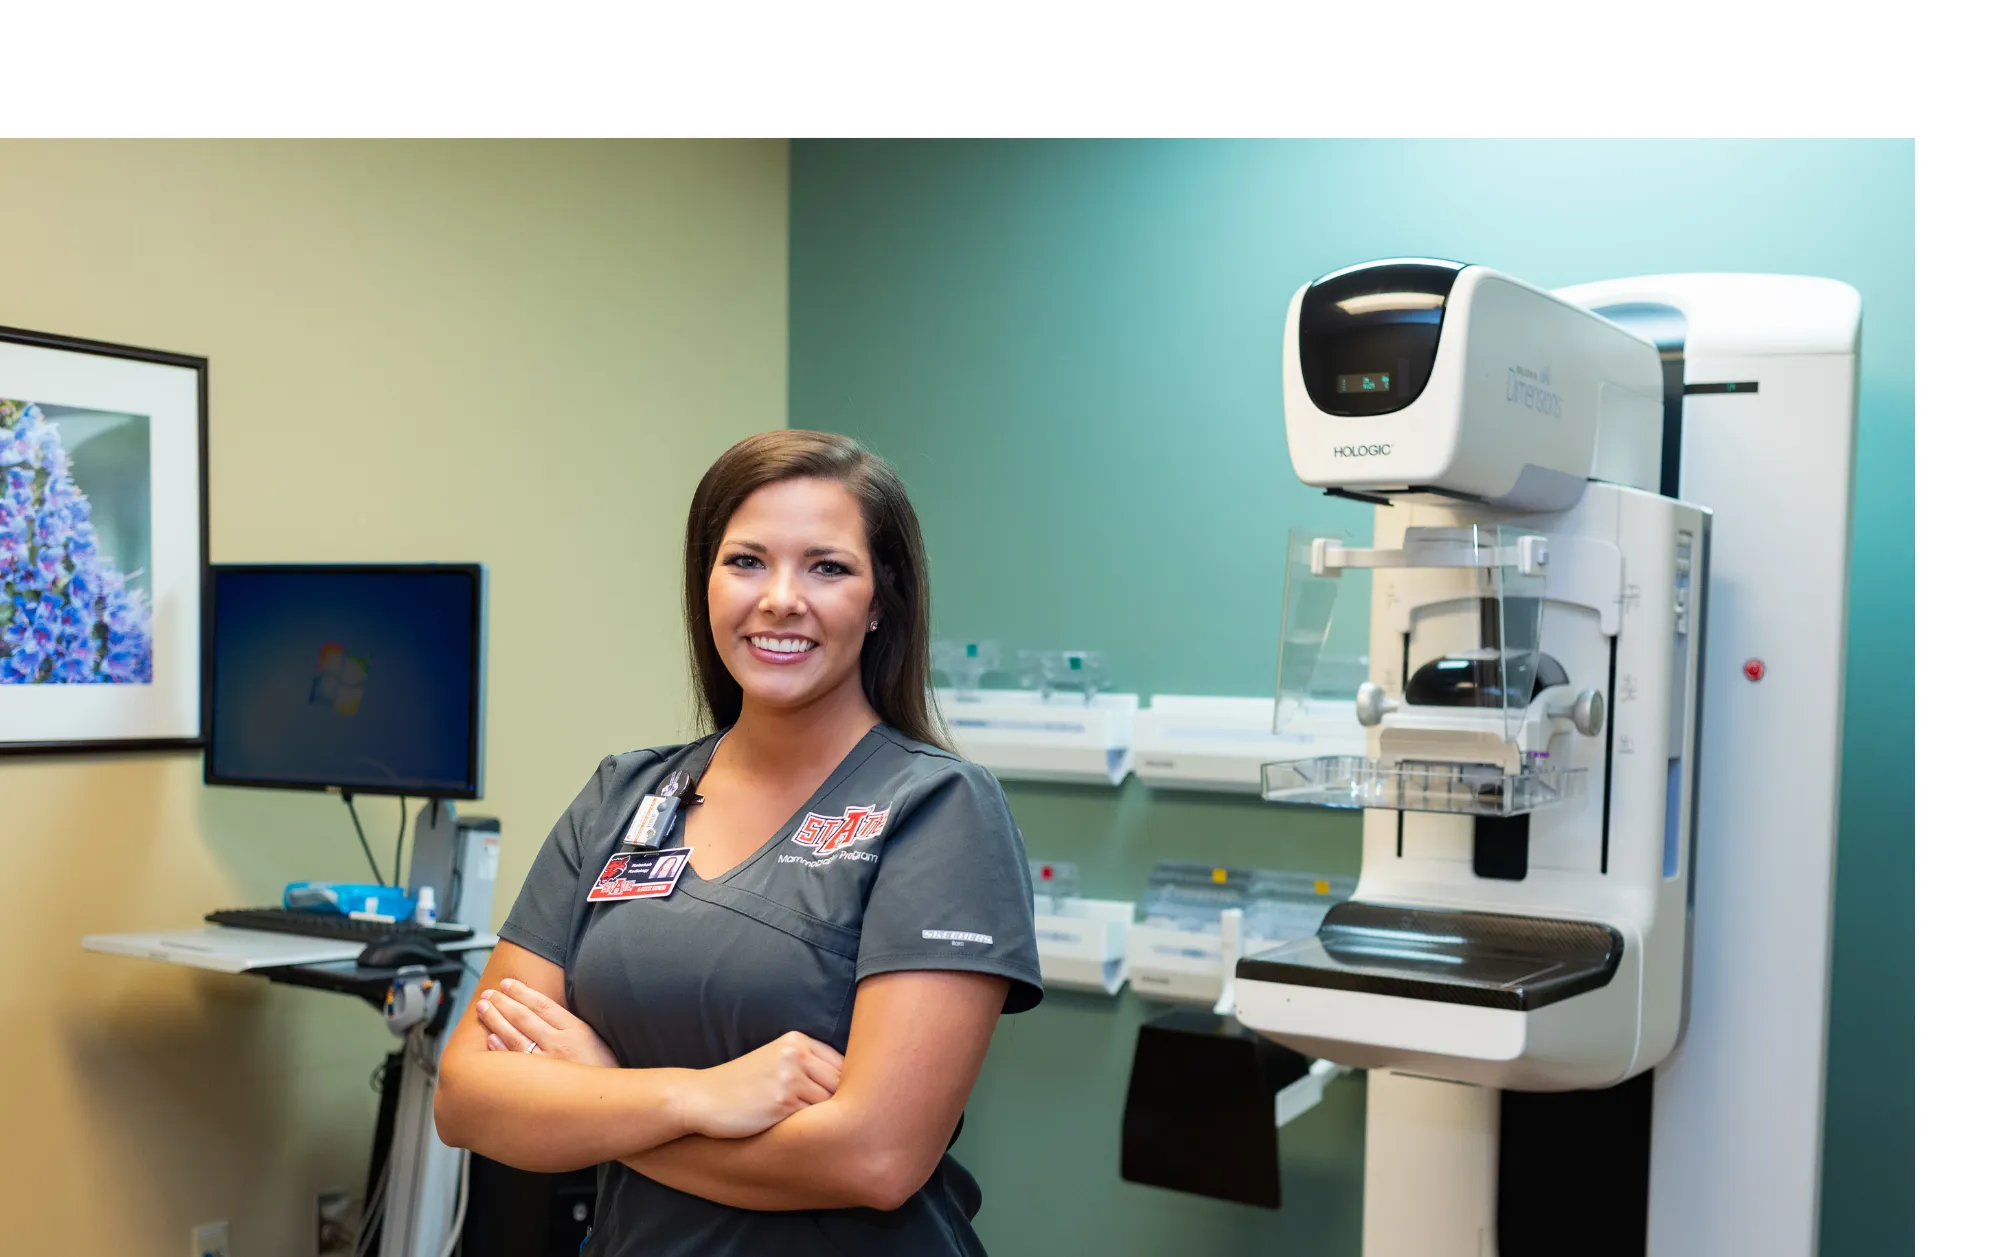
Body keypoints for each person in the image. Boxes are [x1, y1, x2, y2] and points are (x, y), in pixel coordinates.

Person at [434, 430, 1042, 1255]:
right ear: (706, 583)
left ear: (879, 601)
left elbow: (877, 1155)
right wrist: (695, 1097)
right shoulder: (622, 795)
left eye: (827, 566)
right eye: (746, 561)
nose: (780, 598)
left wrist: (600, 1096)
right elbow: (469, 1096)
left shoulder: (937, 808)